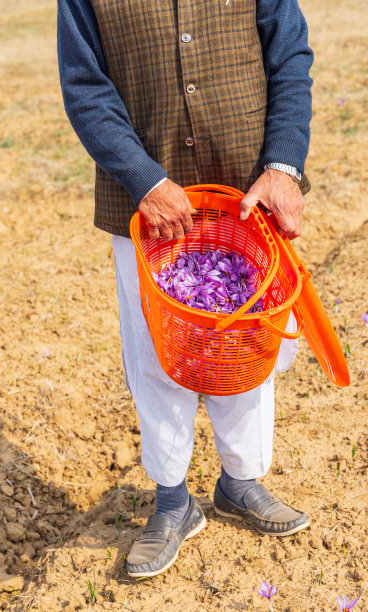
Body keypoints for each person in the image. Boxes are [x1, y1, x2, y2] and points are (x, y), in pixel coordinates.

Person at [57, 0, 314, 578]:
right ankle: (174, 501)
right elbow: (85, 86)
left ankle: (239, 482)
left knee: (246, 342)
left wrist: (284, 166)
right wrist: (143, 178)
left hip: (247, 186)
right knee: (155, 352)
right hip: (144, 201)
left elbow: (289, 56)